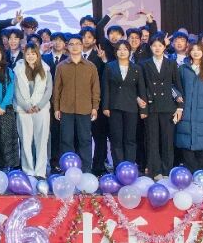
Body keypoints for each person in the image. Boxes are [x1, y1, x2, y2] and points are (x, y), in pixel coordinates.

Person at [54, 38, 100, 169]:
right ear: (67, 47)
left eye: (78, 44)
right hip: (65, 109)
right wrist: (56, 108)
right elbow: (57, 89)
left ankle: (86, 169)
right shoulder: (61, 66)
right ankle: (67, 169)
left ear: (82, 46)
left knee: (85, 139)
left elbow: (95, 89)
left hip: (85, 109)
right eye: (71, 44)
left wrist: (95, 107)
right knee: (66, 140)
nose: (75, 47)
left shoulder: (91, 66)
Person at [99, 41, 145, 170]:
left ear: (129, 51)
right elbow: (105, 88)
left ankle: (129, 167)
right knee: (116, 139)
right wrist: (105, 106)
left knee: (130, 139)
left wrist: (144, 109)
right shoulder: (109, 66)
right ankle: (118, 167)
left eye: (125, 49)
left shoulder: (136, 68)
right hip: (114, 107)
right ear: (116, 52)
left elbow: (141, 89)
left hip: (131, 107)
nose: (122, 51)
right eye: (119, 49)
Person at [140, 37, 181, 177]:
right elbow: (142, 87)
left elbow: (177, 85)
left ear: (164, 47)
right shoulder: (144, 64)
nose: (157, 48)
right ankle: (154, 171)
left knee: (167, 140)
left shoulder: (171, 63)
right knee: (152, 140)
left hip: (168, 106)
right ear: (150, 47)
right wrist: (143, 107)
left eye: (160, 45)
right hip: (151, 106)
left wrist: (180, 106)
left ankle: (167, 171)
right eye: (154, 45)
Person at [175, 45, 203, 170]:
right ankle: (190, 178)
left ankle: (202, 178)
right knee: (186, 148)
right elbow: (174, 86)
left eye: (199, 50)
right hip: (186, 114)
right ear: (189, 52)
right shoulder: (182, 69)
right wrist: (178, 99)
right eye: (193, 50)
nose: (196, 52)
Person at [13, 44, 53, 177]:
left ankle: (40, 172)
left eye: (33, 53)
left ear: (38, 55)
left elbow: (49, 90)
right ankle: (28, 171)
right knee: (25, 141)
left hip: (41, 110)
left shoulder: (45, 69)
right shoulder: (18, 69)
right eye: (28, 53)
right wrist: (25, 106)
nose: (30, 56)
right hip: (23, 110)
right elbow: (16, 91)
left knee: (41, 141)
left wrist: (39, 105)